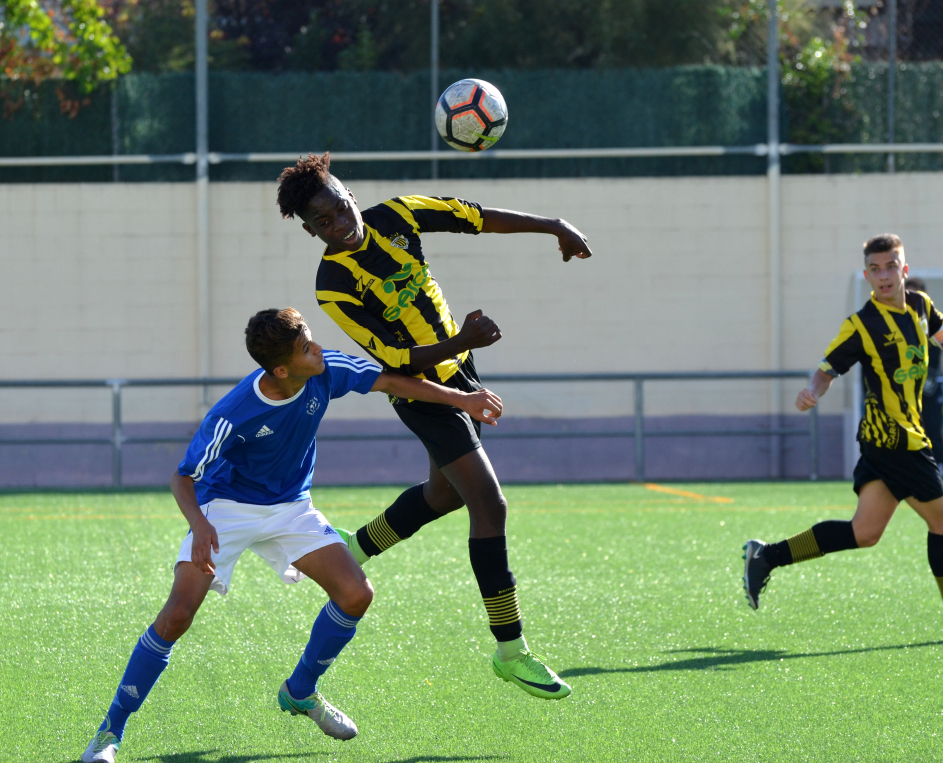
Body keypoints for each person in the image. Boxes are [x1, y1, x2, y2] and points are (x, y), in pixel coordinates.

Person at [81, 307, 503, 763]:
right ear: (281, 370)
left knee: (356, 594)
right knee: (178, 614)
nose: (316, 348)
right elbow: (183, 478)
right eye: (306, 347)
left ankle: (300, 691)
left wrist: (462, 400)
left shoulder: (326, 369)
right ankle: (110, 732)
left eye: (310, 338)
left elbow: (391, 382)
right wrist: (201, 524)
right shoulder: (233, 413)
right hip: (227, 507)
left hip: (291, 507)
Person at [275, 153, 592, 700]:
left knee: (444, 494)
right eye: (323, 223)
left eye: (339, 208)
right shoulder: (333, 284)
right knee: (489, 505)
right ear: (310, 230)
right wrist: (460, 345)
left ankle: (357, 547)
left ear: (348, 192)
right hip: (422, 391)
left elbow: (474, 216)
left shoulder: (398, 213)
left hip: (459, 368)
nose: (340, 225)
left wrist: (553, 225)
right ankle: (510, 650)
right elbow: (396, 358)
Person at [742, 234, 943, 641]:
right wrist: (813, 392)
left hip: (896, 438)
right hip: (895, 441)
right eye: (875, 269)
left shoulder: (921, 307)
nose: (884, 275)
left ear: (903, 270)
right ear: (867, 275)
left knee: (865, 532)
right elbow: (827, 368)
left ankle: (766, 557)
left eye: (891, 266)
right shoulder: (861, 325)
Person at [905, 276, 943, 474]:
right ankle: (911, 467)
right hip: (905, 385)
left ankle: (940, 465)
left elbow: (942, 344)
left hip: (929, 383)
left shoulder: (931, 320)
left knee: (931, 424)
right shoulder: (895, 322)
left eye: (916, 295)